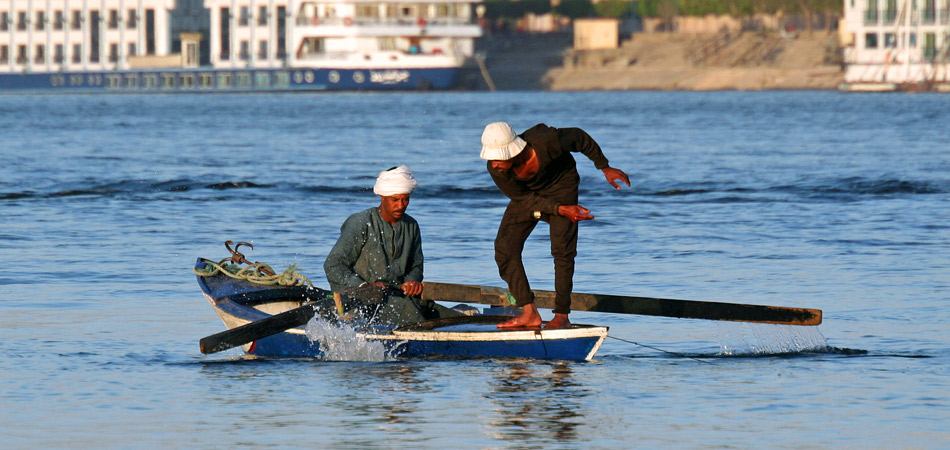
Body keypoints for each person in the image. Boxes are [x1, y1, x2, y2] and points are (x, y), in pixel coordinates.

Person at [480, 122, 630, 329]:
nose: (493, 164)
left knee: (563, 252)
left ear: (512, 152)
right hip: (529, 197)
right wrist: (559, 209)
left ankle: (562, 316)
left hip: (562, 187)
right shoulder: (497, 170)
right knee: (505, 249)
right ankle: (529, 311)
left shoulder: (547, 141)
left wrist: (603, 166)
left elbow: (579, 137)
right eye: (491, 158)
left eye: (498, 157)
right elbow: (523, 198)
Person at [324, 165, 459, 327]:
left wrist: (412, 282)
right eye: (395, 200)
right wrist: (363, 286)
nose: (401, 205)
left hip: (400, 296)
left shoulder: (411, 225)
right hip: (364, 302)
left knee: (453, 319)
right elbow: (333, 265)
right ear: (382, 197)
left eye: (405, 199)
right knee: (413, 316)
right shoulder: (361, 223)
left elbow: (416, 266)